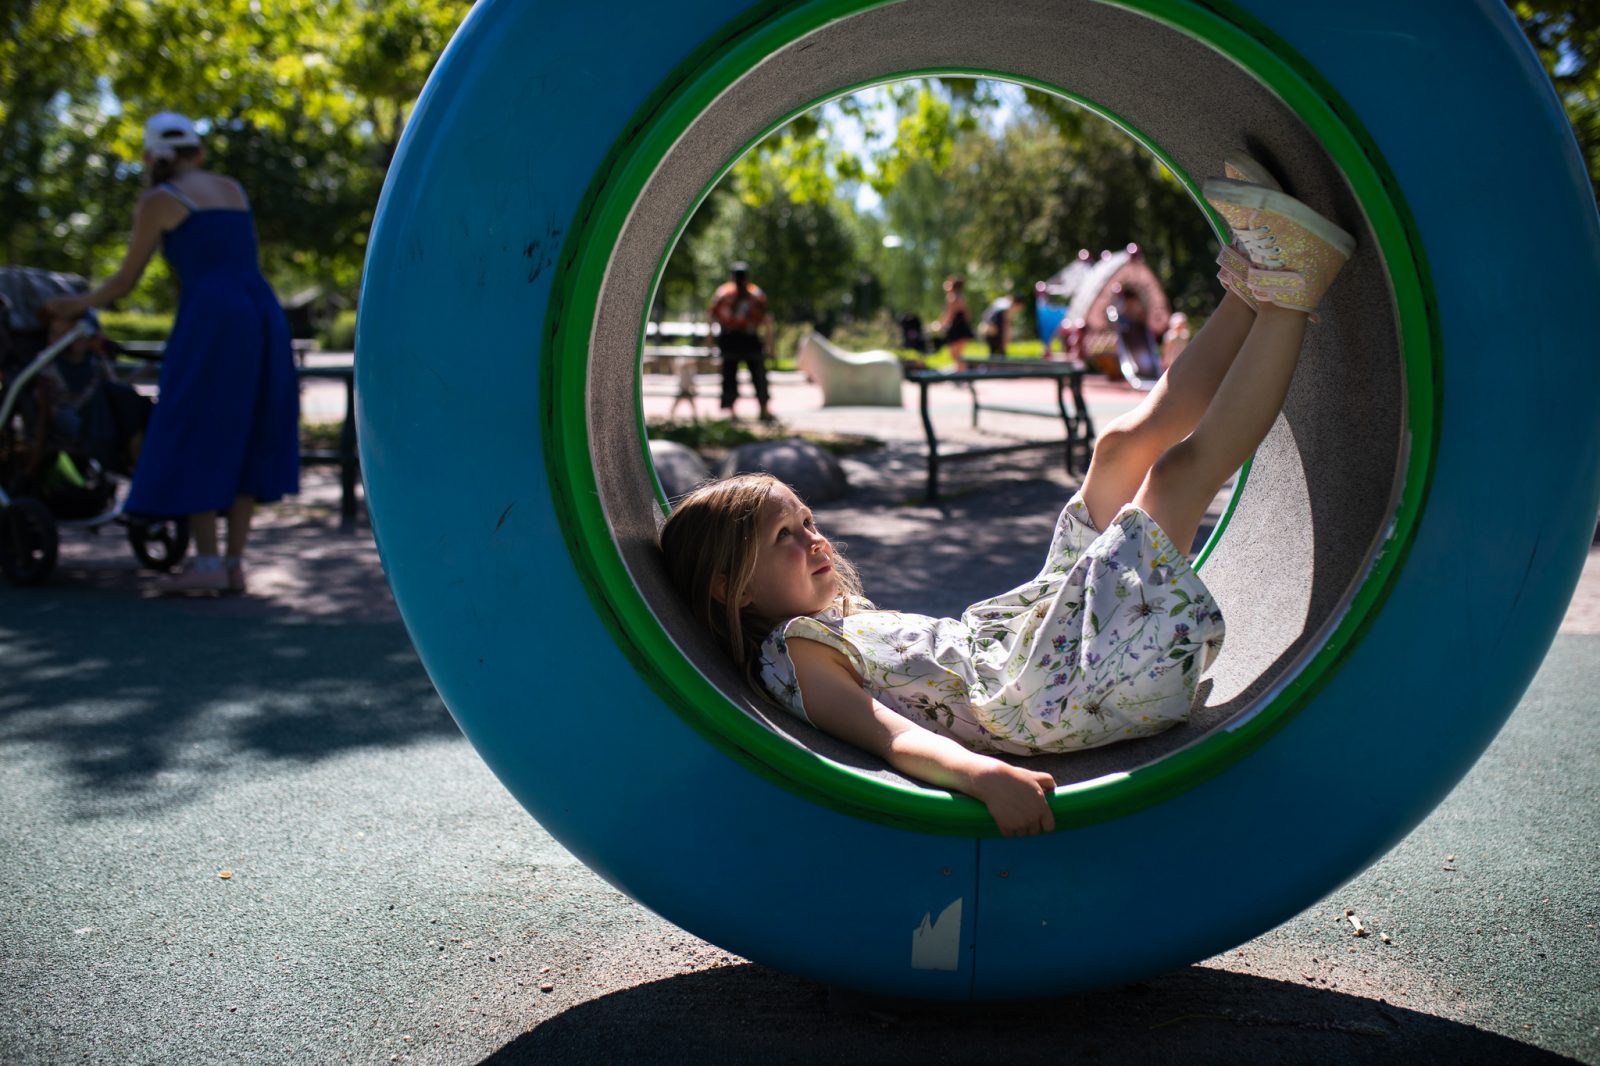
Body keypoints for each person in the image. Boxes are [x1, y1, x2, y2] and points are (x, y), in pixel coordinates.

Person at [659, 155, 1354, 836]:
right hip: (1072, 688)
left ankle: (1250, 286)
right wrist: (981, 775)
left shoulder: (825, 623)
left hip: (1035, 647)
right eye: (783, 537)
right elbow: (890, 735)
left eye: (806, 521)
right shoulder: (796, 654)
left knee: (1116, 450)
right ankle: (1294, 291)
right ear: (731, 588)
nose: (814, 539)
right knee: (1172, 478)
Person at [44, 112, 300, 595]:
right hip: (260, 311)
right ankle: (234, 564)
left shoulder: (159, 200)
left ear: (150, 157)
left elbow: (124, 282)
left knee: (196, 420)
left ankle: (207, 563)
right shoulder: (232, 189)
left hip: (211, 316)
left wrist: (72, 305)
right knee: (249, 424)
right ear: (197, 152)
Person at [708, 261, 775, 422]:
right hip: (741, 339)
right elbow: (767, 321)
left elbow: (711, 317)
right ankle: (757, 410)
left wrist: (710, 341)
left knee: (742, 374)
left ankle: (751, 410)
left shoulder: (725, 293)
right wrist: (770, 345)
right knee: (745, 374)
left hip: (737, 339)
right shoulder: (753, 293)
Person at [932, 275, 974, 369]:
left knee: (955, 355)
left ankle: (961, 374)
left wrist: (939, 326)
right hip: (963, 329)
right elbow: (968, 316)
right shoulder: (961, 297)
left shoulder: (952, 298)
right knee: (958, 355)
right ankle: (962, 373)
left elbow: (949, 315)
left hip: (957, 330)